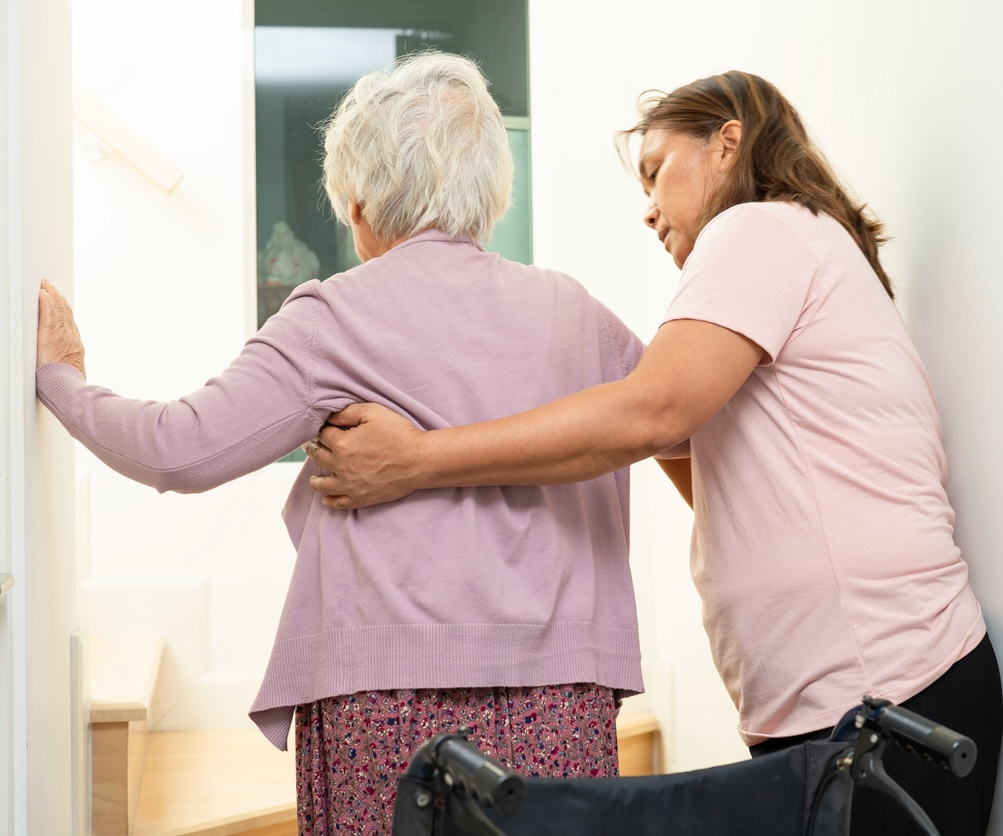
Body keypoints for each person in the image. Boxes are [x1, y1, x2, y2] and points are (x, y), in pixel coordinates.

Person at [304, 70, 1003, 835]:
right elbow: (672, 432)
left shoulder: (760, 227)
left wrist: (419, 458)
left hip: (887, 690)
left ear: (727, 142)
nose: (647, 208)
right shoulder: (791, 248)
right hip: (844, 698)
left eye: (656, 170)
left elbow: (650, 411)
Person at [36, 52, 646, 834]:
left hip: (387, 698)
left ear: (358, 205)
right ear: (489, 192)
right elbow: (668, 420)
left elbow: (178, 450)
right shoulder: (573, 312)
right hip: (565, 694)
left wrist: (61, 378)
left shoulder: (334, 315)